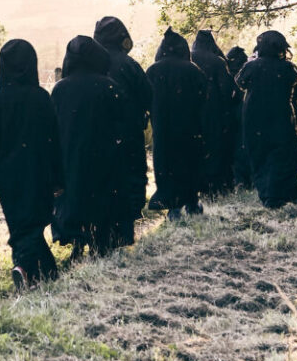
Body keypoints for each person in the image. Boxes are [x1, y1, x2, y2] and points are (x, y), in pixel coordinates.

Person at [0, 39, 64, 288]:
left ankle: (29, 270)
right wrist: (59, 179)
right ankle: (33, 271)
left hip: (8, 177)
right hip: (39, 173)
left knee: (20, 225)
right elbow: (54, 142)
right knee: (32, 225)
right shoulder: (41, 98)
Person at [51, 36, 127, 256]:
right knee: (101, 197)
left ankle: (76, 240)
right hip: (103, 155)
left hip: (70, 154)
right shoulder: (109, 86)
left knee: (75, 197)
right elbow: (122, 121)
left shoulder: (60, 89)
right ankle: (100, 241)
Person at [93, 16, 151, 246]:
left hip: (96, 135)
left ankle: (100, 233)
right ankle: (125, 230)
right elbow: (148, 95)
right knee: (130, 178)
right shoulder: (129, 65)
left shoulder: (90, 63)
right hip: (129, 133)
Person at [235, 30, 297, 208]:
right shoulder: (288, 67)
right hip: (282, 118)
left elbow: (239, 82)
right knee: (282, 155)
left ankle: (269, 196)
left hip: (255, 119)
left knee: (259, 155)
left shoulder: (252, 66)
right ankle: (281, 196)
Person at [145, 28, 209, 218]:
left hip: (163, 128)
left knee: (166, 166)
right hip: (189, 128)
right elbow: (204, 99)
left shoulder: (153, 70)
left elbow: (146, 99)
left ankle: (173, 207)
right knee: (189, 164)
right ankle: (191, 203)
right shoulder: (192, 70)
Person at [190, 30, 235, 195]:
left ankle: (197, 185)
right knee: (214, 146)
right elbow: (227, 89)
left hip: (191, 111)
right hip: (213, 111)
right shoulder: (217, 61)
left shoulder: (188, 58)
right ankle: (214, 186)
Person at [224, 44, 251, 188]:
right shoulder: (248, 70)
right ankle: (245, 179)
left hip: (233, 115)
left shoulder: (229, 73)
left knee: (236, 147)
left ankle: (240, 179)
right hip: (247, 114)